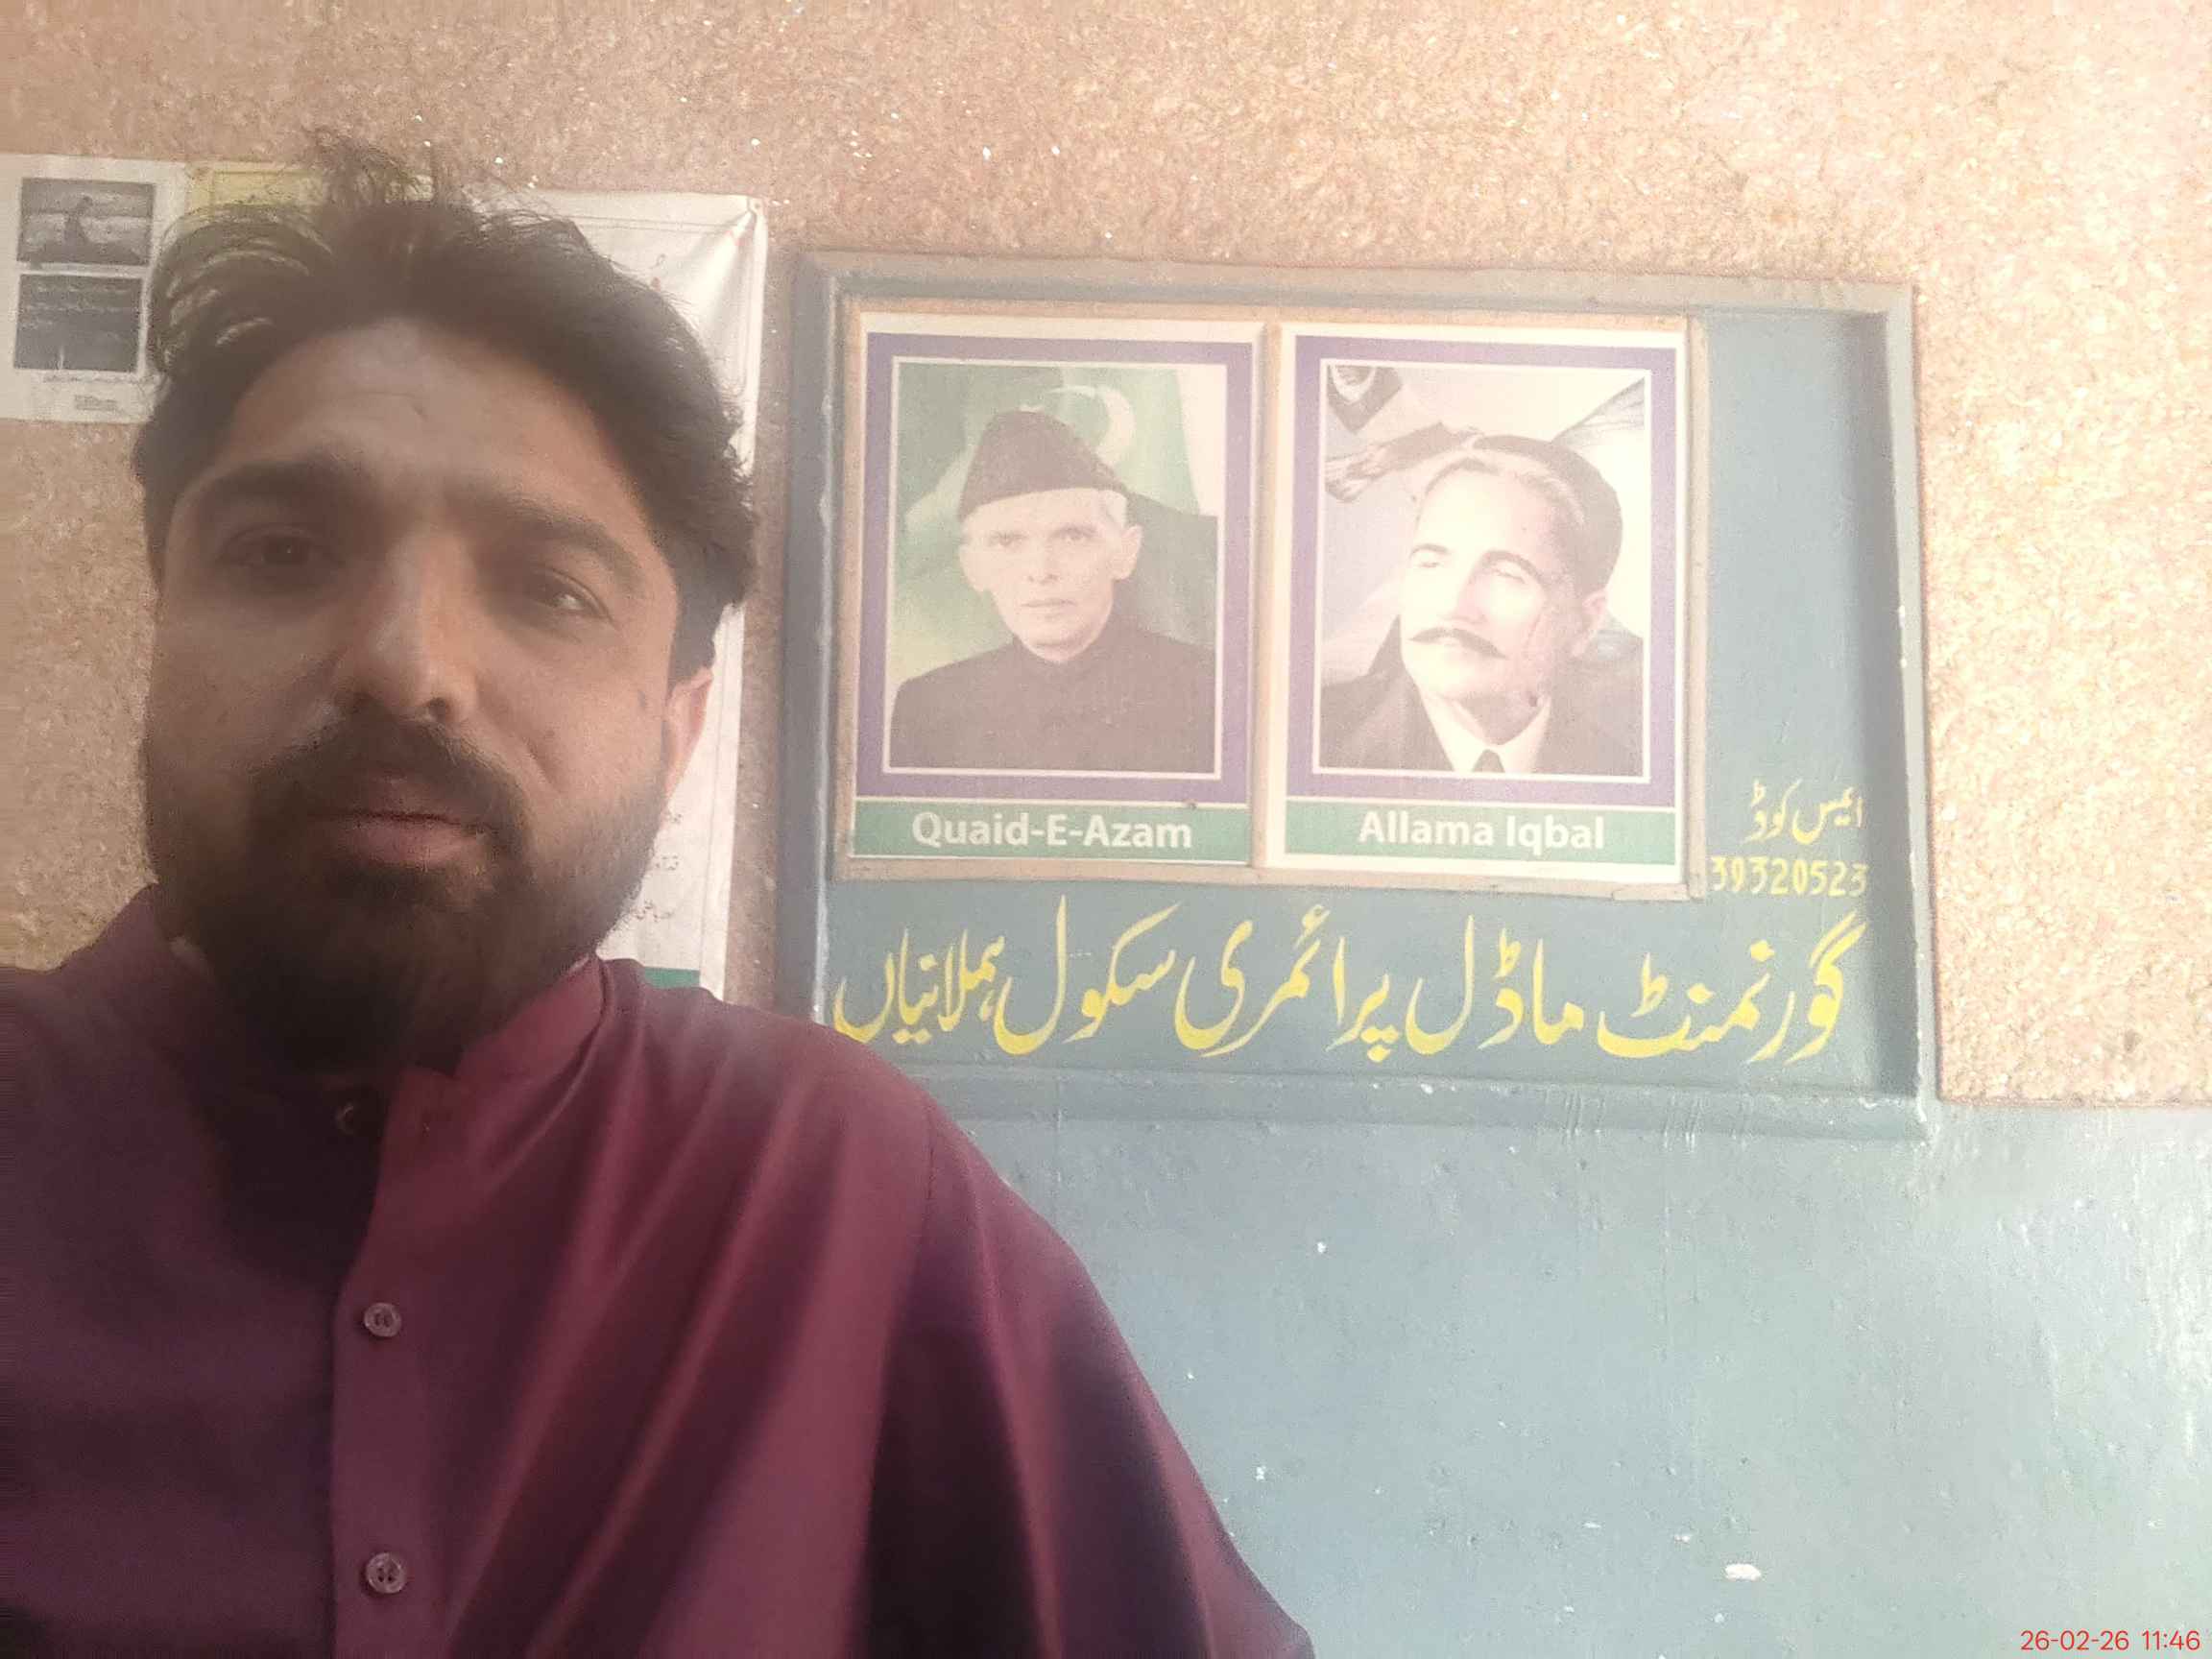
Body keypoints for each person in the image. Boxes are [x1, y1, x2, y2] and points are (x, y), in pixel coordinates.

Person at [0, 138, 1311, 1658]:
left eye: (549, 588)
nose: (404, 665)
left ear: (679, 727)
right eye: (284, 554)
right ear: (164, 632)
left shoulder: (831, 1185)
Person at [887, 407, 1216, 774]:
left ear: (1126, 553)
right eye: (1008, 542)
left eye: (1073, 537)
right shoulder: (928, 709)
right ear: (973, 568)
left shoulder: (1208, 689)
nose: (1041, 572)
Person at [1318, 435, 1642, 778]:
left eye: (1506, 574)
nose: (1452, 605)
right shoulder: (1315, 740)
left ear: (1585, 623)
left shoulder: (1625, 769)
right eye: (1431, 563)